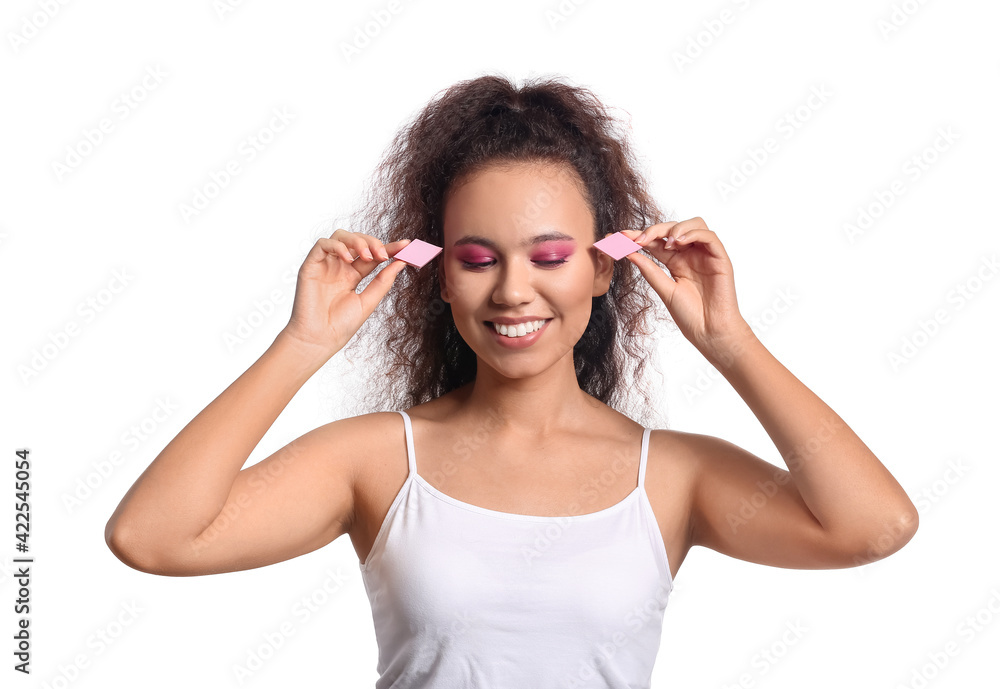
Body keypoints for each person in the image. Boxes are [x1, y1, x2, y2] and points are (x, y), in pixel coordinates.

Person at [105, 73, 919, 687]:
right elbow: (151, 536)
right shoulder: (376, 461)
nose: (513, 291)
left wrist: (729, 341)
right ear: (440, 275)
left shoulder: (673, 476)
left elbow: (875, 525)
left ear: (604, 268)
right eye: (477, 258)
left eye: (550, 256)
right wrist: (302, 343)